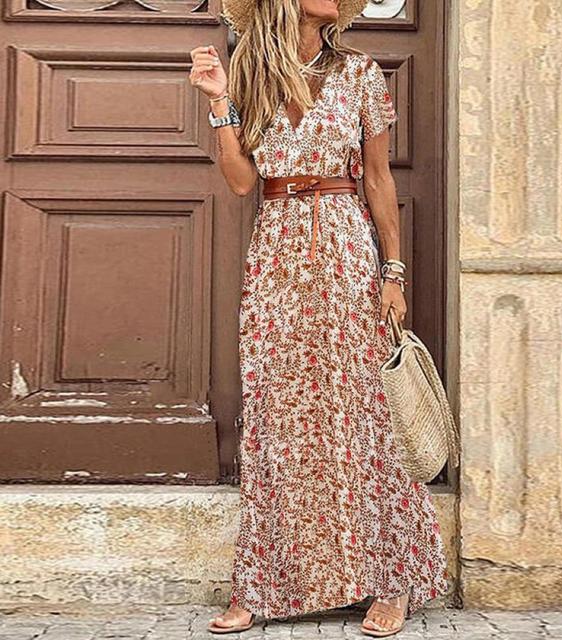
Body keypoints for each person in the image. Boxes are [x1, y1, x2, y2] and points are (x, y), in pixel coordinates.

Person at [189, 0, 449, 636]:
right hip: (276, 251)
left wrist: (393, 272)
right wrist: (219, 101)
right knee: (278, 416)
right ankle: (262, 582)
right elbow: (242, 181)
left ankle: (392, 579)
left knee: (362, 412)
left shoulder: (361, 71)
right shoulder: (248, 75)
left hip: (344, 244)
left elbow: (379, 180)